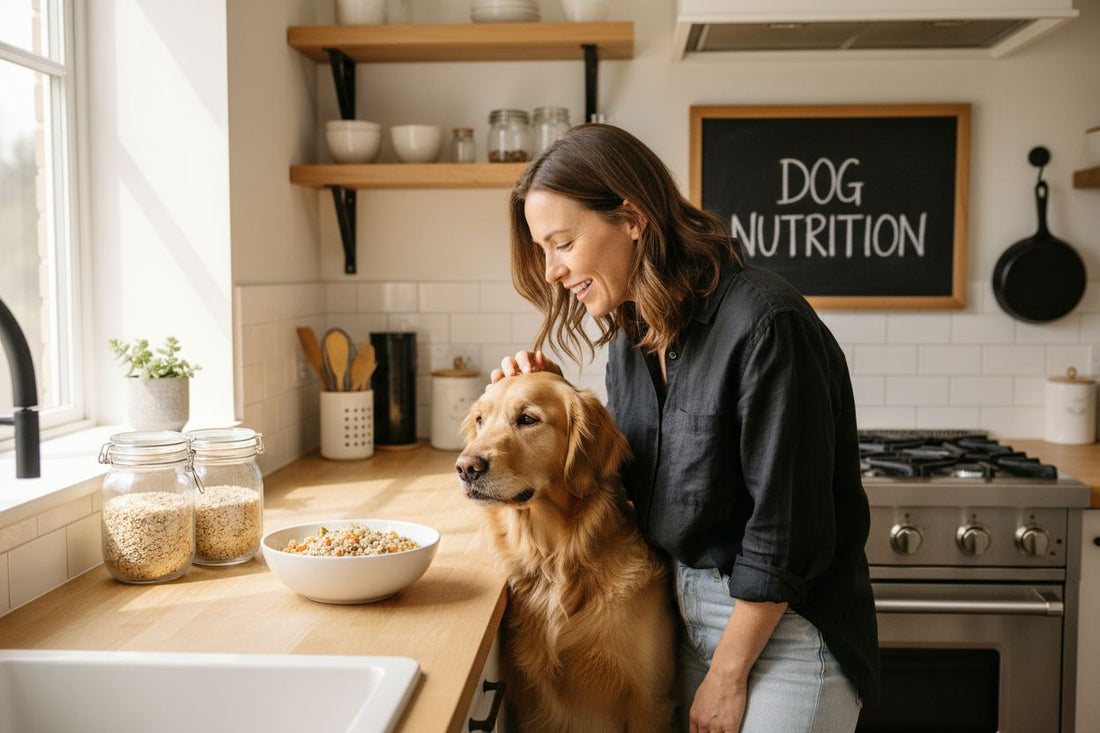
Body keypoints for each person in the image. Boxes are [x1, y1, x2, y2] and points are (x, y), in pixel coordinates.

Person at [490, 123, 879, 733]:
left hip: (785, 631)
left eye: (562, 243)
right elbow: (640, 478)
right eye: (543, 250)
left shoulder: (767, 324)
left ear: (632, 218)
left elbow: (786, 532)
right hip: (683, 614)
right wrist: (549, 403)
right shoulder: (632, 334)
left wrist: (728, 674)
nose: (552, 271)